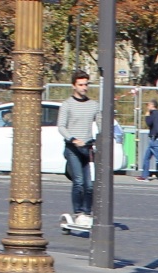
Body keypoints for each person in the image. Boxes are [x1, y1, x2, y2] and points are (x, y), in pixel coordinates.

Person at [57, 70, 100, 227]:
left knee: (90, 185)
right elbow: (61, 126)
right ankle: (78, 212)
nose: (84, 88)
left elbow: (101, 123)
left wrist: (101, 138)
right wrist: (73, 139)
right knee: (79, 182)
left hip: (87, 148)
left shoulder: (93, 105)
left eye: (86, 84)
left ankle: (87, 213)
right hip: (72, 148)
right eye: (80, 85)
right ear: (74, 86)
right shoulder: (67, 104)